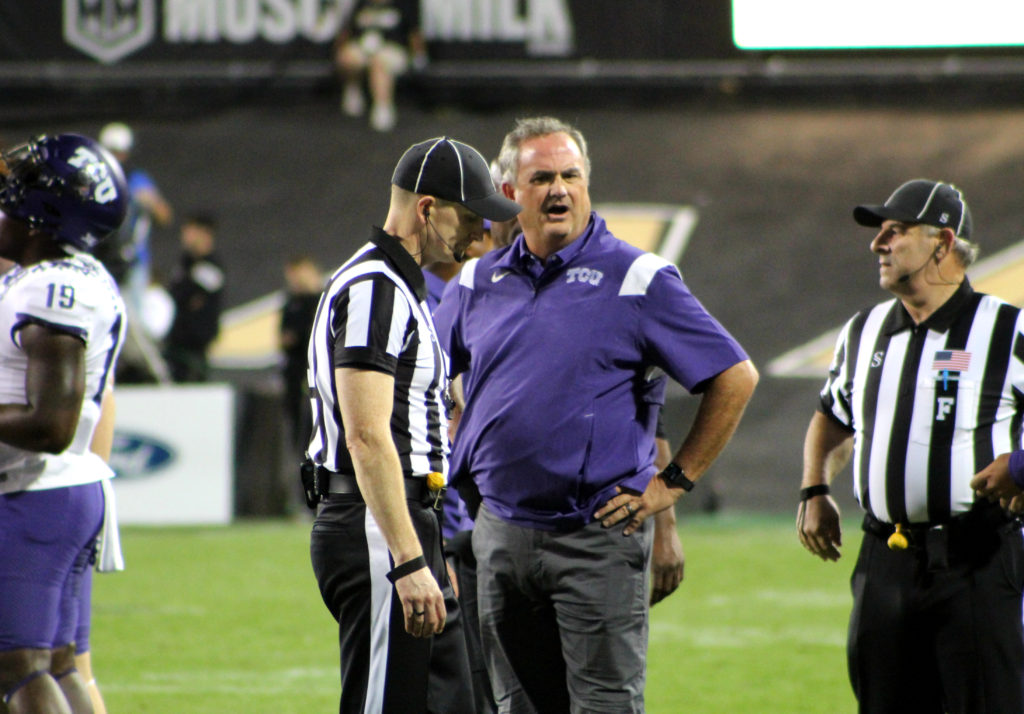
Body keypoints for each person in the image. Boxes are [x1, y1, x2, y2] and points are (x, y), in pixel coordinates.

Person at [432, 116, 758, 713]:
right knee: (517, 708)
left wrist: (673, 484)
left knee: (604, 707)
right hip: (499, 535)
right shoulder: (477, 280)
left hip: (595, 537)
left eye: (570, 175)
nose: (559, 189)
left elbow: (735, 376)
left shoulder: (638, 278)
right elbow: (428, 378)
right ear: (510, 192)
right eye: (541, 178)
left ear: (586, 183)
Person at [305, 136, 521, 713]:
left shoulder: (399, 285)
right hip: (378, 526)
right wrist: (405, 558)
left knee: (451, 702)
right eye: (470, 219)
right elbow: (367, 434)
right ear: (427, 208)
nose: (479, 239)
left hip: (405, 521)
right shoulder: (376, 288)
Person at [797, 179, 1024, 713]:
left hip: (979, 558)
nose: (878, 244)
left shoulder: (1008, 329)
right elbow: (831, 417)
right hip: (883, 563)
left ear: (942, 243)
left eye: (895, 232)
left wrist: (1021, 464)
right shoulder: (864, 330)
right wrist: (813, 488)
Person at [0, 133, 129, 714]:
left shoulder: (55, 287)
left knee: (16, 669)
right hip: (60, 488)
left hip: (34, 492)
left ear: (40, 216)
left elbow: (51, 424)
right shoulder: (64, 276)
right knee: (58, 663)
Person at [334, 0, 427, 132]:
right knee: (347, 57)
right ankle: (353, 88)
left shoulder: (405, 4)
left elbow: (414, 32)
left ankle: (382, 106)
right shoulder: (361, 3)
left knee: (379, 61)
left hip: (393, 50)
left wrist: (419, 56)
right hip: (364, 47)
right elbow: (347, 30)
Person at [163, 213, 225, 383]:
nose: (185, 236)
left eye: (190, 231)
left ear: (204, 234)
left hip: (194, 346)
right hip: (175, 343)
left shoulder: (212, 267)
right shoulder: (185, 263)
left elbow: (190, 298)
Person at [279, 255, 323, 454]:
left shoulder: (320, 301)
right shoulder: (290, 303)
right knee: (295, 427)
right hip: (294, 375)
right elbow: (284, 339)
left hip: (315, 374)